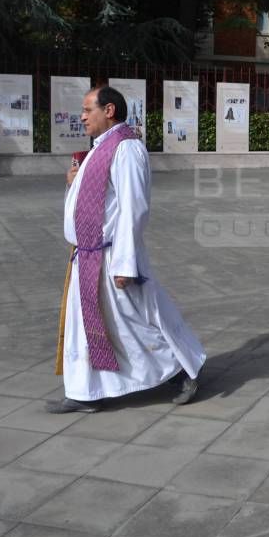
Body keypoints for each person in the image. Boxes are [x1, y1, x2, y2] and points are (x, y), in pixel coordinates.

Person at [46, 86, 206, 413]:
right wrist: (72, 183)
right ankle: (85, 392)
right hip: (86, 254)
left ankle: (181, 372)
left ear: (109, 111)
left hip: (110, 255)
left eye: (88, 109)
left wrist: (125, 263)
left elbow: (134, 210)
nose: (82, 116)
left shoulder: (126, 148)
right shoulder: (99, 148)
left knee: (129, 323)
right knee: (88, 326)